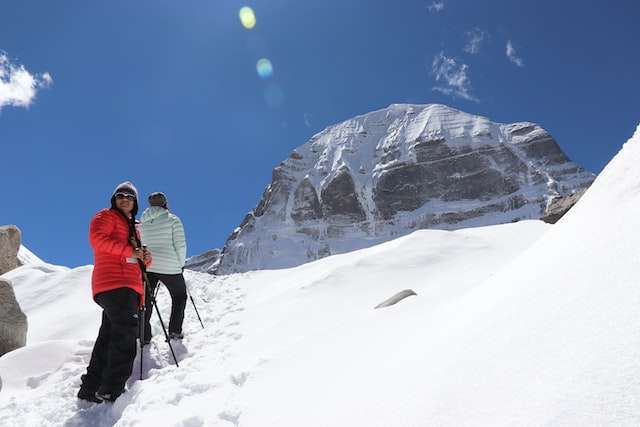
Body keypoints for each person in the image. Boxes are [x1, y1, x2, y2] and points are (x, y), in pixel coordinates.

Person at [77, 181, 152, 403]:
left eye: (129, 196)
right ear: (114, 199)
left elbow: (139, 257)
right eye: (120, 195)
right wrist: (131, 251)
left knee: (108, 337)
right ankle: (112, 388)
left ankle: (90, 388)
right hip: (114, 282)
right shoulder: (106, 217)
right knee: (126, 333)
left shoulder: (134, 226)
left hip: (127, 285)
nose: (124, 199)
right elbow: (98, 241)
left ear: (135, 202)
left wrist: (146, 258)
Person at [140, 192, 187, 343]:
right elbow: (180, 245)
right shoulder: (173, 219)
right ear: (165, 203)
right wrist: (180, 265)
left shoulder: (143, 221)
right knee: (179, 296)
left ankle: (143, 335)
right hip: (170, 266)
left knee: (146, 300)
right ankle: (174, 331)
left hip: (148, 265)